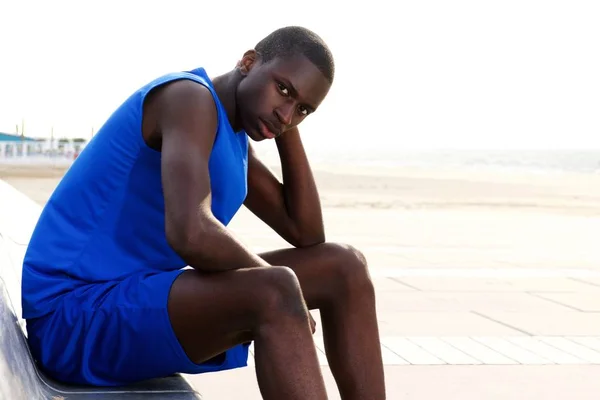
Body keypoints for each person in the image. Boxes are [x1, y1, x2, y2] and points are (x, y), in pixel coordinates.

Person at [21, 26, 385, 400]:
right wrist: (283, 288)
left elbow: (305, 232)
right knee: (275, 289)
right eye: (284, 89)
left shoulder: (236, 137)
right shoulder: (188, 99)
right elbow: (190, 233)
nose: (288, 114)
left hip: (126, 300)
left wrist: (284, 121)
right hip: (72, 315)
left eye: (303, 109)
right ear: (248, 62)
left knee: (345, 267)